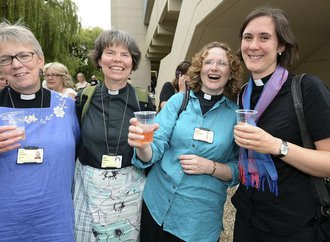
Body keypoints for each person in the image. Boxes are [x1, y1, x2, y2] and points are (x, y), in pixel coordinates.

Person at [231, 6, 330, 242]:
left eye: (264, 37)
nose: (253, 46)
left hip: (293, 226)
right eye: (248, 37)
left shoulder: (307, 88)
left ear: (281, 46)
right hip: (247, 217)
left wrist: (277, 146)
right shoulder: (243, 93)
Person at [128, 41, 243, 242]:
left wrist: (210, 167)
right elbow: (156, 147)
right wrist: (142, 145)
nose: (214, 67)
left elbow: (239, 169)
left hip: (198, 221)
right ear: (200, 69)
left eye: (222, 63)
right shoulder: (177, 102)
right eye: (209, 62)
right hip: (157, 205)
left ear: (230, 72)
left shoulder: (235, 115)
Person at [0, 21, 79, 241]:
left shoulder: (67, 107)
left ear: (40, 60)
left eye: (24, 56)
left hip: (55, 221)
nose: (16, 65)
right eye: (6, 59)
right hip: (5, 223)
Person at [73, 29, 148, 242]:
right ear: (99, 59)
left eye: (125, 54)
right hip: (88, 188)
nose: (117, 59)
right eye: (110, 52)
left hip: (128, 192)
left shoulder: (144, 102)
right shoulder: (83, 98)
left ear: (132, 62)